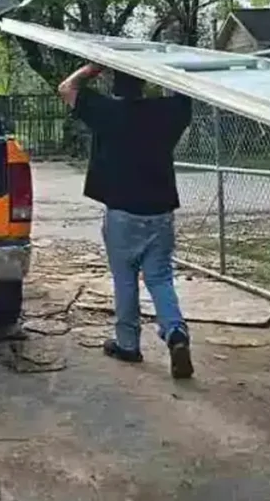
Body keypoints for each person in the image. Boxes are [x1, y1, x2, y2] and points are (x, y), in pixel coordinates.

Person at [58, 64, 194, 379]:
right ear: (146, 82)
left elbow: (66, 88)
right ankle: (175, 332)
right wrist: (168, 73)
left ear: (115, 82)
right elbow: (186, 94)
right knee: (160, 277)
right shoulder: (167, 113)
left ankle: (128, 344)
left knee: (125, 278)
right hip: (160, 211)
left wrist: (92, 67)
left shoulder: (106, 111)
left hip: (121, 211)